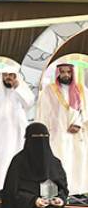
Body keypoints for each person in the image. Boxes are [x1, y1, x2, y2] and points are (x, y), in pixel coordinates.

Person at [37, 63, 87, 197]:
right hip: (57, 134)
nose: (66, 75)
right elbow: (43, 112)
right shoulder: (49, 90)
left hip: (76, 134)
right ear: (58, 73)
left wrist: (78, 124)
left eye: (68, 72)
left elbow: (85, 109)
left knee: (77, 162)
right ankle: (60, 191)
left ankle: (76, 192)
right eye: (63, 72)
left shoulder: (81, 89)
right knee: (60, 161)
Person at [0, 65, 35, 196]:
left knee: (18, 158)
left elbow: (29, 104)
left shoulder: (21, 89)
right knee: (0, 160)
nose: (8, 78)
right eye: (5, 75)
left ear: (16, 76)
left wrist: (17, 88)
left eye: (11, 75)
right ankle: (0, 187)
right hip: (0, 134)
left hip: (18, 133)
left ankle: (19, 186)